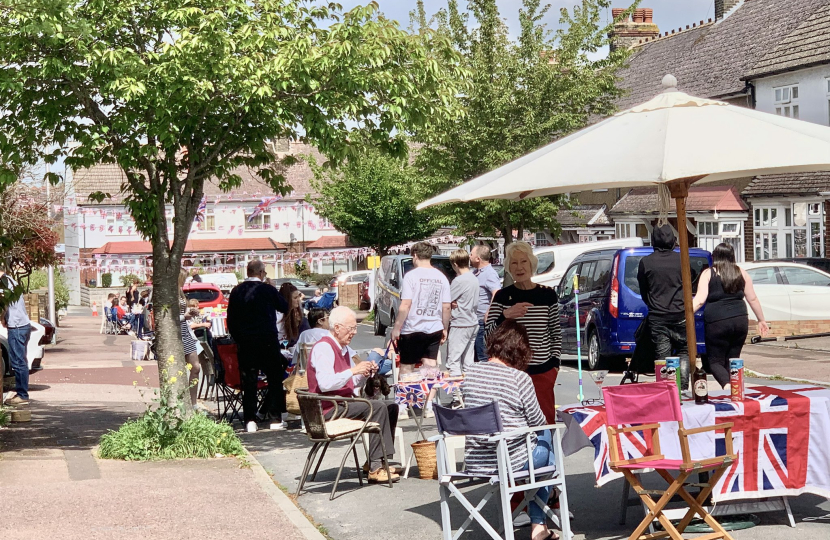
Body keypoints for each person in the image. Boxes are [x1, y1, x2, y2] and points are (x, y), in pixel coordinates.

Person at [463, 320, 558, 540]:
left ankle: (540, 514)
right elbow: (538, 420)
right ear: (521, 350)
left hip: (477, 460)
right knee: (547, 439)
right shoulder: (519, 378)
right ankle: (539, 524)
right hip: (511, 461)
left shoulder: (471, 372)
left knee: (543, 454)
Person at [307, 306, 400, 483]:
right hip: (327, 409)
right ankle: (375, 468)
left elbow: (349, 384)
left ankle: (379, 460)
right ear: (337, 328)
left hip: (341, 403)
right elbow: (325, 384)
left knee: (391, 407)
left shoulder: (343, 350)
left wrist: (362, 375)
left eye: (355, 328)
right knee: (377, 407)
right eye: (351, 328)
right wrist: (353, 371)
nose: (355, 332)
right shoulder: (324, 348)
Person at [485, 241, 561, 424]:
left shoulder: (547, 294)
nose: (519, 267)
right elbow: (488, 335)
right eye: (514, 263)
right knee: (515, 422)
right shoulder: (502, 296)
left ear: (532, 264)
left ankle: (548, 453)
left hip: (543, 370)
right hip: (511, 371)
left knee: (545, 421)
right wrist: (506, 315)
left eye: (523, 262)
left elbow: (555, 332)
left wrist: (554, 365)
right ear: (508, 268)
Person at [693, 243, 769, 387]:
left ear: (715, 257)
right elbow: (752, 298)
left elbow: (699, 300)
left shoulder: (708, 273)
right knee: (733, 359)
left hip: (717, 322)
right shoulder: (741, 272)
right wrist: (761, 320)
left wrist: (684, 313)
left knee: (714, 362)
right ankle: (736, 390)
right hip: (740, 320)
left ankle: (728, 385)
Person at [227, 260, 289, 432]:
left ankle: (250, 420)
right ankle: (275, 418)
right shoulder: (267, 289)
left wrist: (238, 338)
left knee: (249, 381)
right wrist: (272, 288)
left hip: (246, 341)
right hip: (267, 339)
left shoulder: (236, 291)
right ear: (261, 273)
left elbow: (230, 320)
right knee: (274, 378)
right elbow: (284, 306)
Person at [637, 224, 690, 392]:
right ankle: (683, 390)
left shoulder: (646, 262)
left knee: (662, 356)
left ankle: (665, 390)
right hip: (680, 313)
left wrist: (652, 304)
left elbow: (643, 290)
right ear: (673, 240)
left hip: (658, 316)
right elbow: (690, 285)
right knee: (683, 351)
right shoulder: (682, 260)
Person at [390, 241, 451, 376]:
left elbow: (406, 304)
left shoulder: (411, 276)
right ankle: (429, 397)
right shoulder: (441, 277)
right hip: (434, 328)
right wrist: (445, 328)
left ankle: (409, 397)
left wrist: (396, 328)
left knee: (407, 368)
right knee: (431, 367)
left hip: (412, 329)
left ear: (415, 255)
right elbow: (446, 306)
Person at [446, 249, 479, 379]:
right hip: (472, 321)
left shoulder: (459, 281)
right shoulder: (473, 278)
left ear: (455, 264)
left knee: (453, 361)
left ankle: (456, 394)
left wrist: (451, 303)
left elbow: (445, 300)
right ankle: (469, 393)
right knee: (468, 362)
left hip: (460, 322)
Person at [1, 271, 32, 406]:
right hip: (22, 325)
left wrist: (2, 318)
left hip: (17, 327)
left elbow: (4, 304)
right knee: (20, 361)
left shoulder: (4, 282)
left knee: (18, 362)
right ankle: (21, 393)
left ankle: (22, 395)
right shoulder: (10, 280)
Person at [471, 244, 501, 362]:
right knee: (474, 356)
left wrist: (489, 311)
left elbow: (497, 293)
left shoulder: (490, 274)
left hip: (482, 323)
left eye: (471, 254)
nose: (469, 256)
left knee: (482, 355)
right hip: (474, 320)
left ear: (478, 258)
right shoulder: (475, 273)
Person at [177, 269, 203, 409]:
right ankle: (185, 402)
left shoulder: (180, 292)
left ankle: (193, 402)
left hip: (185, 332)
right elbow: (169, 319)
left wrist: (189, 313)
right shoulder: (172, 292)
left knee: (196, 367)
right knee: (180, 369)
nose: (187, 281)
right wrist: (185, 316)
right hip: (178, 332)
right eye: (185, 278)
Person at [277, 282, 310, 348]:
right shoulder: (279, 315)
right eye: (295, 298)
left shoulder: (296, 312)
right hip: (281, 344)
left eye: (299, 296)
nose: (298, 300)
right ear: (287, 299)